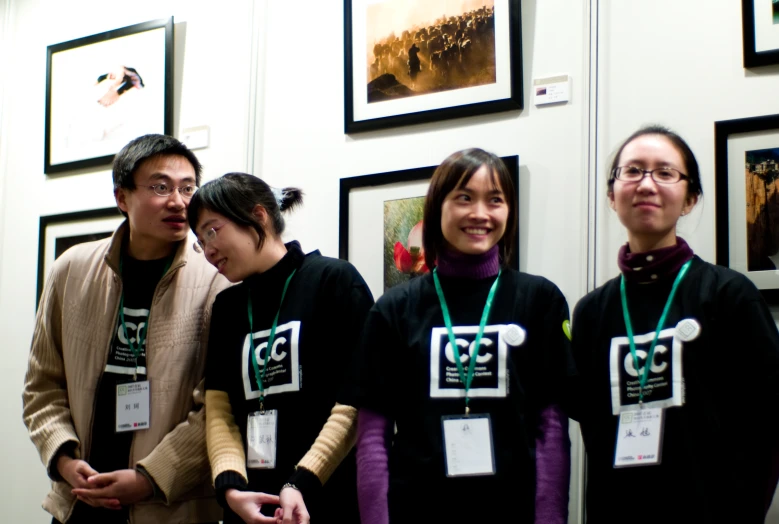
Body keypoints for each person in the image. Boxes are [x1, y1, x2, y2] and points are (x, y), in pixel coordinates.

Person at [568, 125, 779, 523]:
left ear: (690, 198)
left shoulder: (729, 295)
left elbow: (768, 420)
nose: (647, 184)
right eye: (632, 171)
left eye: (665, 173)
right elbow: (592, 426)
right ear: (612, 196)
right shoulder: (592, 312)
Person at [352, 148, 574, 524]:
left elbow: (551, 427)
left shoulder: (540, 300)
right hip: (417, 509)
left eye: (495, 200)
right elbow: (373, 436)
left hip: (512, 509)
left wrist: (550, 517)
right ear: (438, 207)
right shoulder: (393, 309)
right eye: (464, 198)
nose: (480, 213)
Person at [22, 134, 229, 524]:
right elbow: (42, 386)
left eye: (188, 188)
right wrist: (65, 460)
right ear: (122, 198)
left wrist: (150, 478)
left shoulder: (217, 281)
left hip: (169, 507)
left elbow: (216, 407)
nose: (179, 202)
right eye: (161, 187)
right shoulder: (72, 269)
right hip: (80, 499)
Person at [188, 173, 374, 524]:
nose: (208, 249)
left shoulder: (333, 280)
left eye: (212, 231)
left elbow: (353, 402)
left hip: (325, 499)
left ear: (258, 216)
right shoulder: (227, 307)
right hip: (250, 506)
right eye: (199, 240)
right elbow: (219, 408)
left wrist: (301, 482)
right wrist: (230, 489)